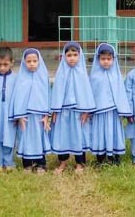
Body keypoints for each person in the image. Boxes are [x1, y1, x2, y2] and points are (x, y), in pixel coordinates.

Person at [50, 42, 96, 173]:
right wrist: (55, 110)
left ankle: (80, 163)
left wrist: (86, 110)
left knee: (79, 136)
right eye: (69, 55)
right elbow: (57, 91)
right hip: (64, 111)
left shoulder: (82, 74)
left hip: (78, 112)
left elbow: (86, 92)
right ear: (64, 57)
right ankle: (62, 162)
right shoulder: (61, 73)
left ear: (80, 56)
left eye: (75, 55)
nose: (72, 58)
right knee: (63, 135)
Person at [9, 48, 51, 173]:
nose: (32, 63)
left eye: (34, 61)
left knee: (39, 139)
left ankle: (41, 164)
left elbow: (48, 96)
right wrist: (19, 116)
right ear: (24, 63)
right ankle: (27, 164)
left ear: (39, 62)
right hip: (25, 117)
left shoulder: (44, 78)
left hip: (39, 117)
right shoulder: (21, 79)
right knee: (25, 139)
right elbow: (17, 97)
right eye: (28, 61)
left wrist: (46, 115)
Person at [89, 43, 132, 165]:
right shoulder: (94, 76)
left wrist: (122, 109)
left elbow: (121, 93)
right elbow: (91, 92)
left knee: (113, 133)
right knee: (100, 133)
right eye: (103, 59)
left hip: (113, 112)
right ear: (98, 59)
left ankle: (115, 157)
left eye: (109, 59)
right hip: (99, 112)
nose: (106, 62)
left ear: (114, 59)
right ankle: (101, 158)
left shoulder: (116, 76)